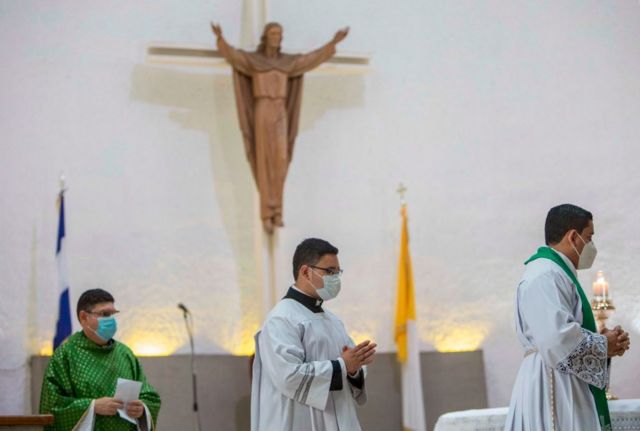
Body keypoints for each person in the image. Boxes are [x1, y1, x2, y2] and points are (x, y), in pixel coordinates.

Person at [210, 22, 348, 233]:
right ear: (266, 37)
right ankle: (267, 213)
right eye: (273, 33)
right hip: (262, 109)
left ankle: (278, 212)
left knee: (280, 160)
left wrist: (332, 43)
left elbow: (310, 59)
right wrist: (221, 39)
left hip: (280, 112)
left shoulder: (288, 63)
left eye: (279, 34)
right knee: (264, 160)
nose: (276, 37)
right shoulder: (254, 61)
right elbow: (234, 56)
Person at [504, 204, 630, 430]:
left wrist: (602, 341)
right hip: (553, 384)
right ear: (573, 237)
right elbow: (556, 339)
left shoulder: (555, 272)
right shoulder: (546, 274)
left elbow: (561, 330)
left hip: (563, 377)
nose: (591, 245)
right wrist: (603, 344)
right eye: (589, 237)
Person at [251, 238, 376, 430]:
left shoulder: (333, 321)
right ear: (305, 272)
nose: (335, 278)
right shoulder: (281, 319)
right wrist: (342, 366)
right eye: (329, 271)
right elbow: (289, 376)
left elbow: (347, 366)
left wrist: (354, 369)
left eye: (337, 272)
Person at [40, 289, 161, 430]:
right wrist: (92, 407)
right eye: (105, 314)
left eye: (112, 314)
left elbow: (148, 395)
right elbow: (52, 406)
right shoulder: (65, 355)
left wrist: (142, 409)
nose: (111, 320)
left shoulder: (125, 354)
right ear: (84, 317)